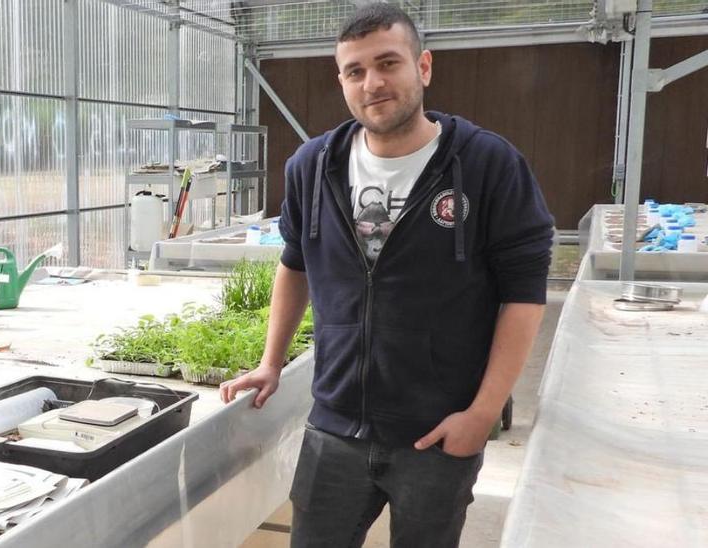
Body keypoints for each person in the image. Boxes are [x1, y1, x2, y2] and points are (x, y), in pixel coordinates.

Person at [219, 3, 554, 547]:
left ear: (422, 68)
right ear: (342, 82)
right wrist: (270, 362)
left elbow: (524, 294)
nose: (372, 83)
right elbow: (294, 263)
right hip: (334, 426)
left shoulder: (488, 163)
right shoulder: (312, 164)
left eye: (387, 63)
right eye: (355, 71)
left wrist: (483, 413)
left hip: (436, 433)